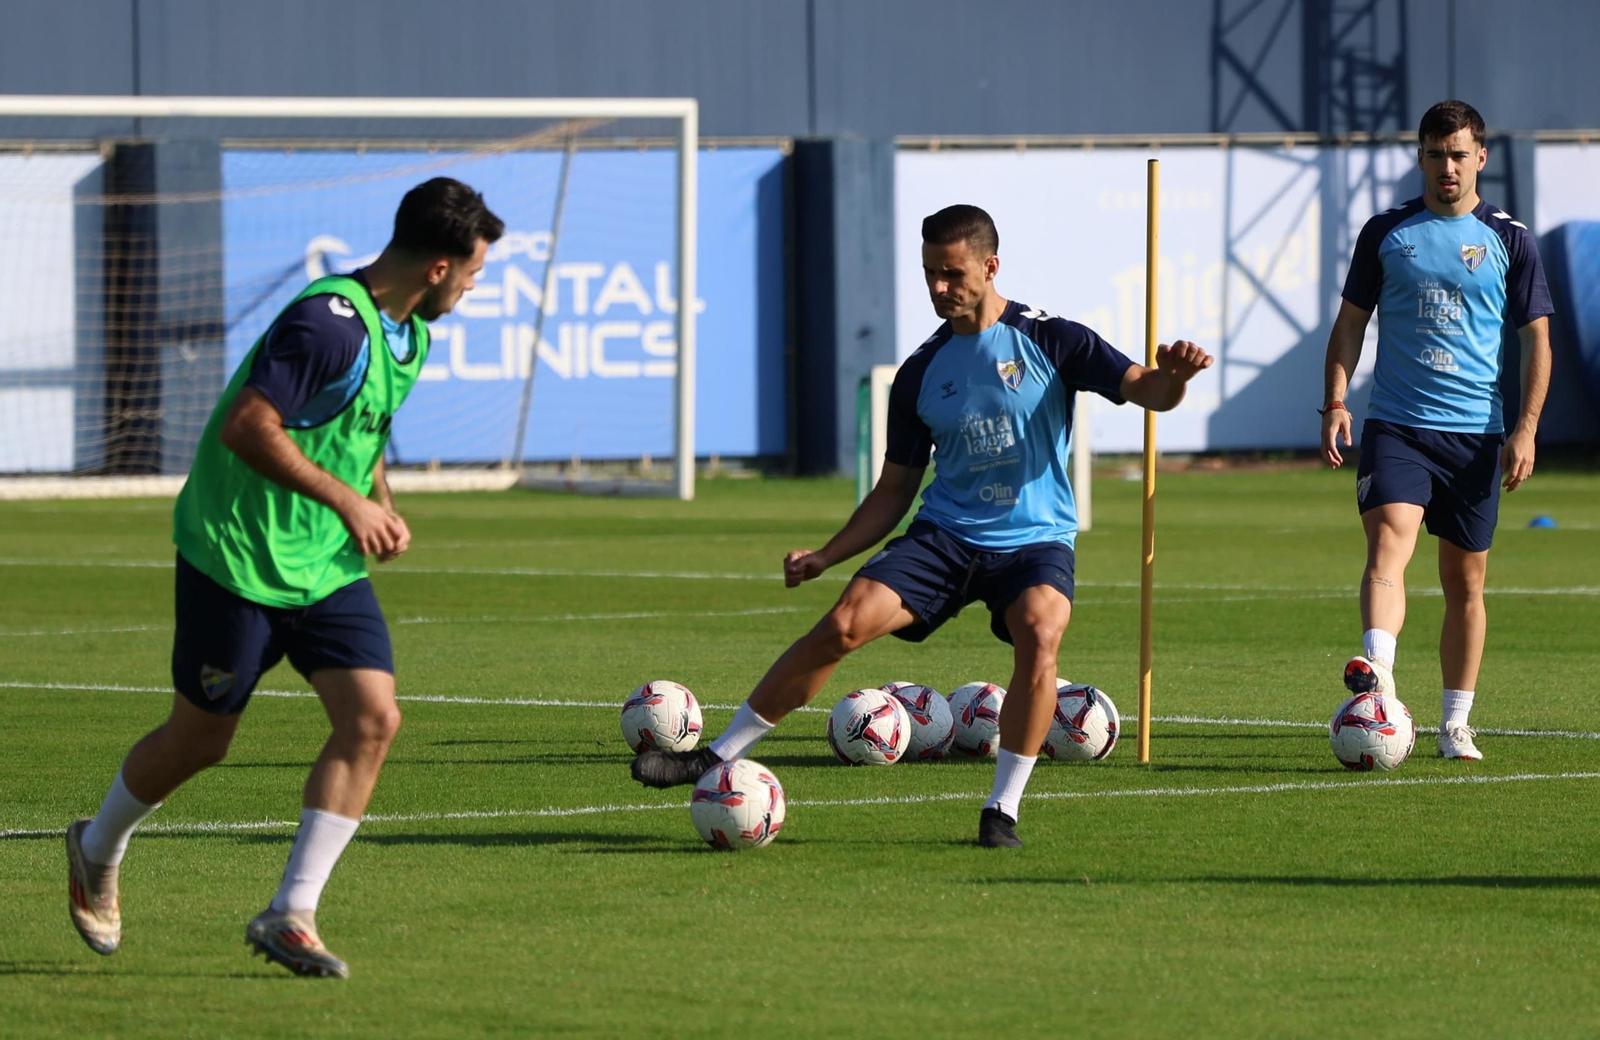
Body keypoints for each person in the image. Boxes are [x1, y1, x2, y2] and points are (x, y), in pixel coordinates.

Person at [631, 203, 1212, 847]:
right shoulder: (918, 374)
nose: (939, 288)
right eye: (930, 273)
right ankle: (716, 757)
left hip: (1033, 541)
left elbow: (1148, 391)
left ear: (991, 267)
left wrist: (1177, 378)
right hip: (944, 535)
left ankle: (1002, 810)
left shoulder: (1054, 339)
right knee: (845, 621)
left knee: (1042, 632)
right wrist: (827, 556)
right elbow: (893, 492)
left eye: (952, 273)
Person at [64, 177, 504, 977]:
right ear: (439, 267)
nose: (475, 289)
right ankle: (96, 847)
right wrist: (347, 502)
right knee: (201, 741)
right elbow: (247, 426)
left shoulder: (410, 335)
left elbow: (358, 432)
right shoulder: (328, 323)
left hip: (323, 566)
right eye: (474, 274)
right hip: (235, 556)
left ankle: (290, 912)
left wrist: (378, 499)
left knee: (374, 718)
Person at [1321, 100, 1552, 760]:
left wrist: (1527, 428)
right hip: (1398, 423)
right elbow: (1350, 325)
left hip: (1476, 433)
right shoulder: (1387, 232)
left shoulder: (1512, 240)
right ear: (1418, 157)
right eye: (1434, 153)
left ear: (1481, 158)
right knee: (1390, 539)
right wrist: (1335, 400)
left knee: (1465, 582)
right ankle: (1381, 677)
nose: (1446, 166)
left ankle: (1455, 725)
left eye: (1458, 155)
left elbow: (1539, 341)